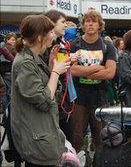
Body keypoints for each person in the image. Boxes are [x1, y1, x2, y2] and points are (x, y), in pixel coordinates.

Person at [11, 14, 71, 166]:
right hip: (36, 141)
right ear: (39, 37)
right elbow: (44, 100)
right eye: (50, 32)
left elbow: (46, 89)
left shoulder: (33, 58)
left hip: (42, 134)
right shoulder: (25, 62)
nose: (53, 35)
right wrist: (56, 72)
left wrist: (52, 69)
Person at [70, 9, 116, 153]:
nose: (90, 24)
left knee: (101, 139)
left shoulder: (107, 46)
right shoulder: (74, 44)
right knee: (77, 139)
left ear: (99, 25)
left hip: (100, 97)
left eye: (93, 21)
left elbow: (110, 73)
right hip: (78, 99)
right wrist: (97, 68)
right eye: (87, 21)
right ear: (83, 24)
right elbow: (71, 71)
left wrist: (83, 72)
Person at [44, 9, 76, 145]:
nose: (65, 25)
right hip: (53, 100)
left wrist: (69, 61)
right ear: (51, 24)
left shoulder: (63, 43)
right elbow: (49, 71)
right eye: (62, 22)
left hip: (65, 97)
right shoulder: (45, 46)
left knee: (68, 141)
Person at [0, 32, 17, 110]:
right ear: (7, 40)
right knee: (9, 92)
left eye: (15, 40)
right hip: (8, 73)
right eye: (13, 40)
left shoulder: (4, 47)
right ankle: (8, 109)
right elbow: (14, 60)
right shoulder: (7, 47)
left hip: (5, 73)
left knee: (5, 92)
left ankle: (6, 109)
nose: (14, 41)